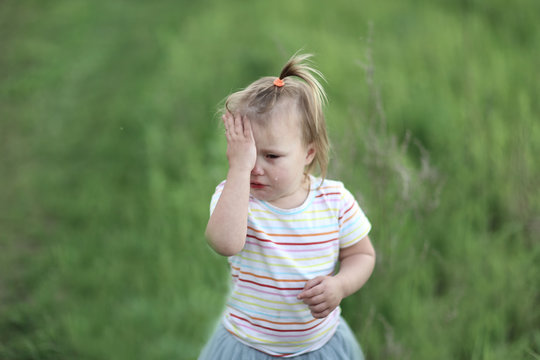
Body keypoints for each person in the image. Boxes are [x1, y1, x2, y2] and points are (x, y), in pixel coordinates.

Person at [199, 53, 376, 359]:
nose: (256, 167)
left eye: (271, 156)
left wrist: (340, 286)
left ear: (308, 153)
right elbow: (225, 244)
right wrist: (237, 170)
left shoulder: (335, 202)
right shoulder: (237, 196)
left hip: (318, 347)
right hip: (248, 346)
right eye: (249, 154)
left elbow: (362, 254)